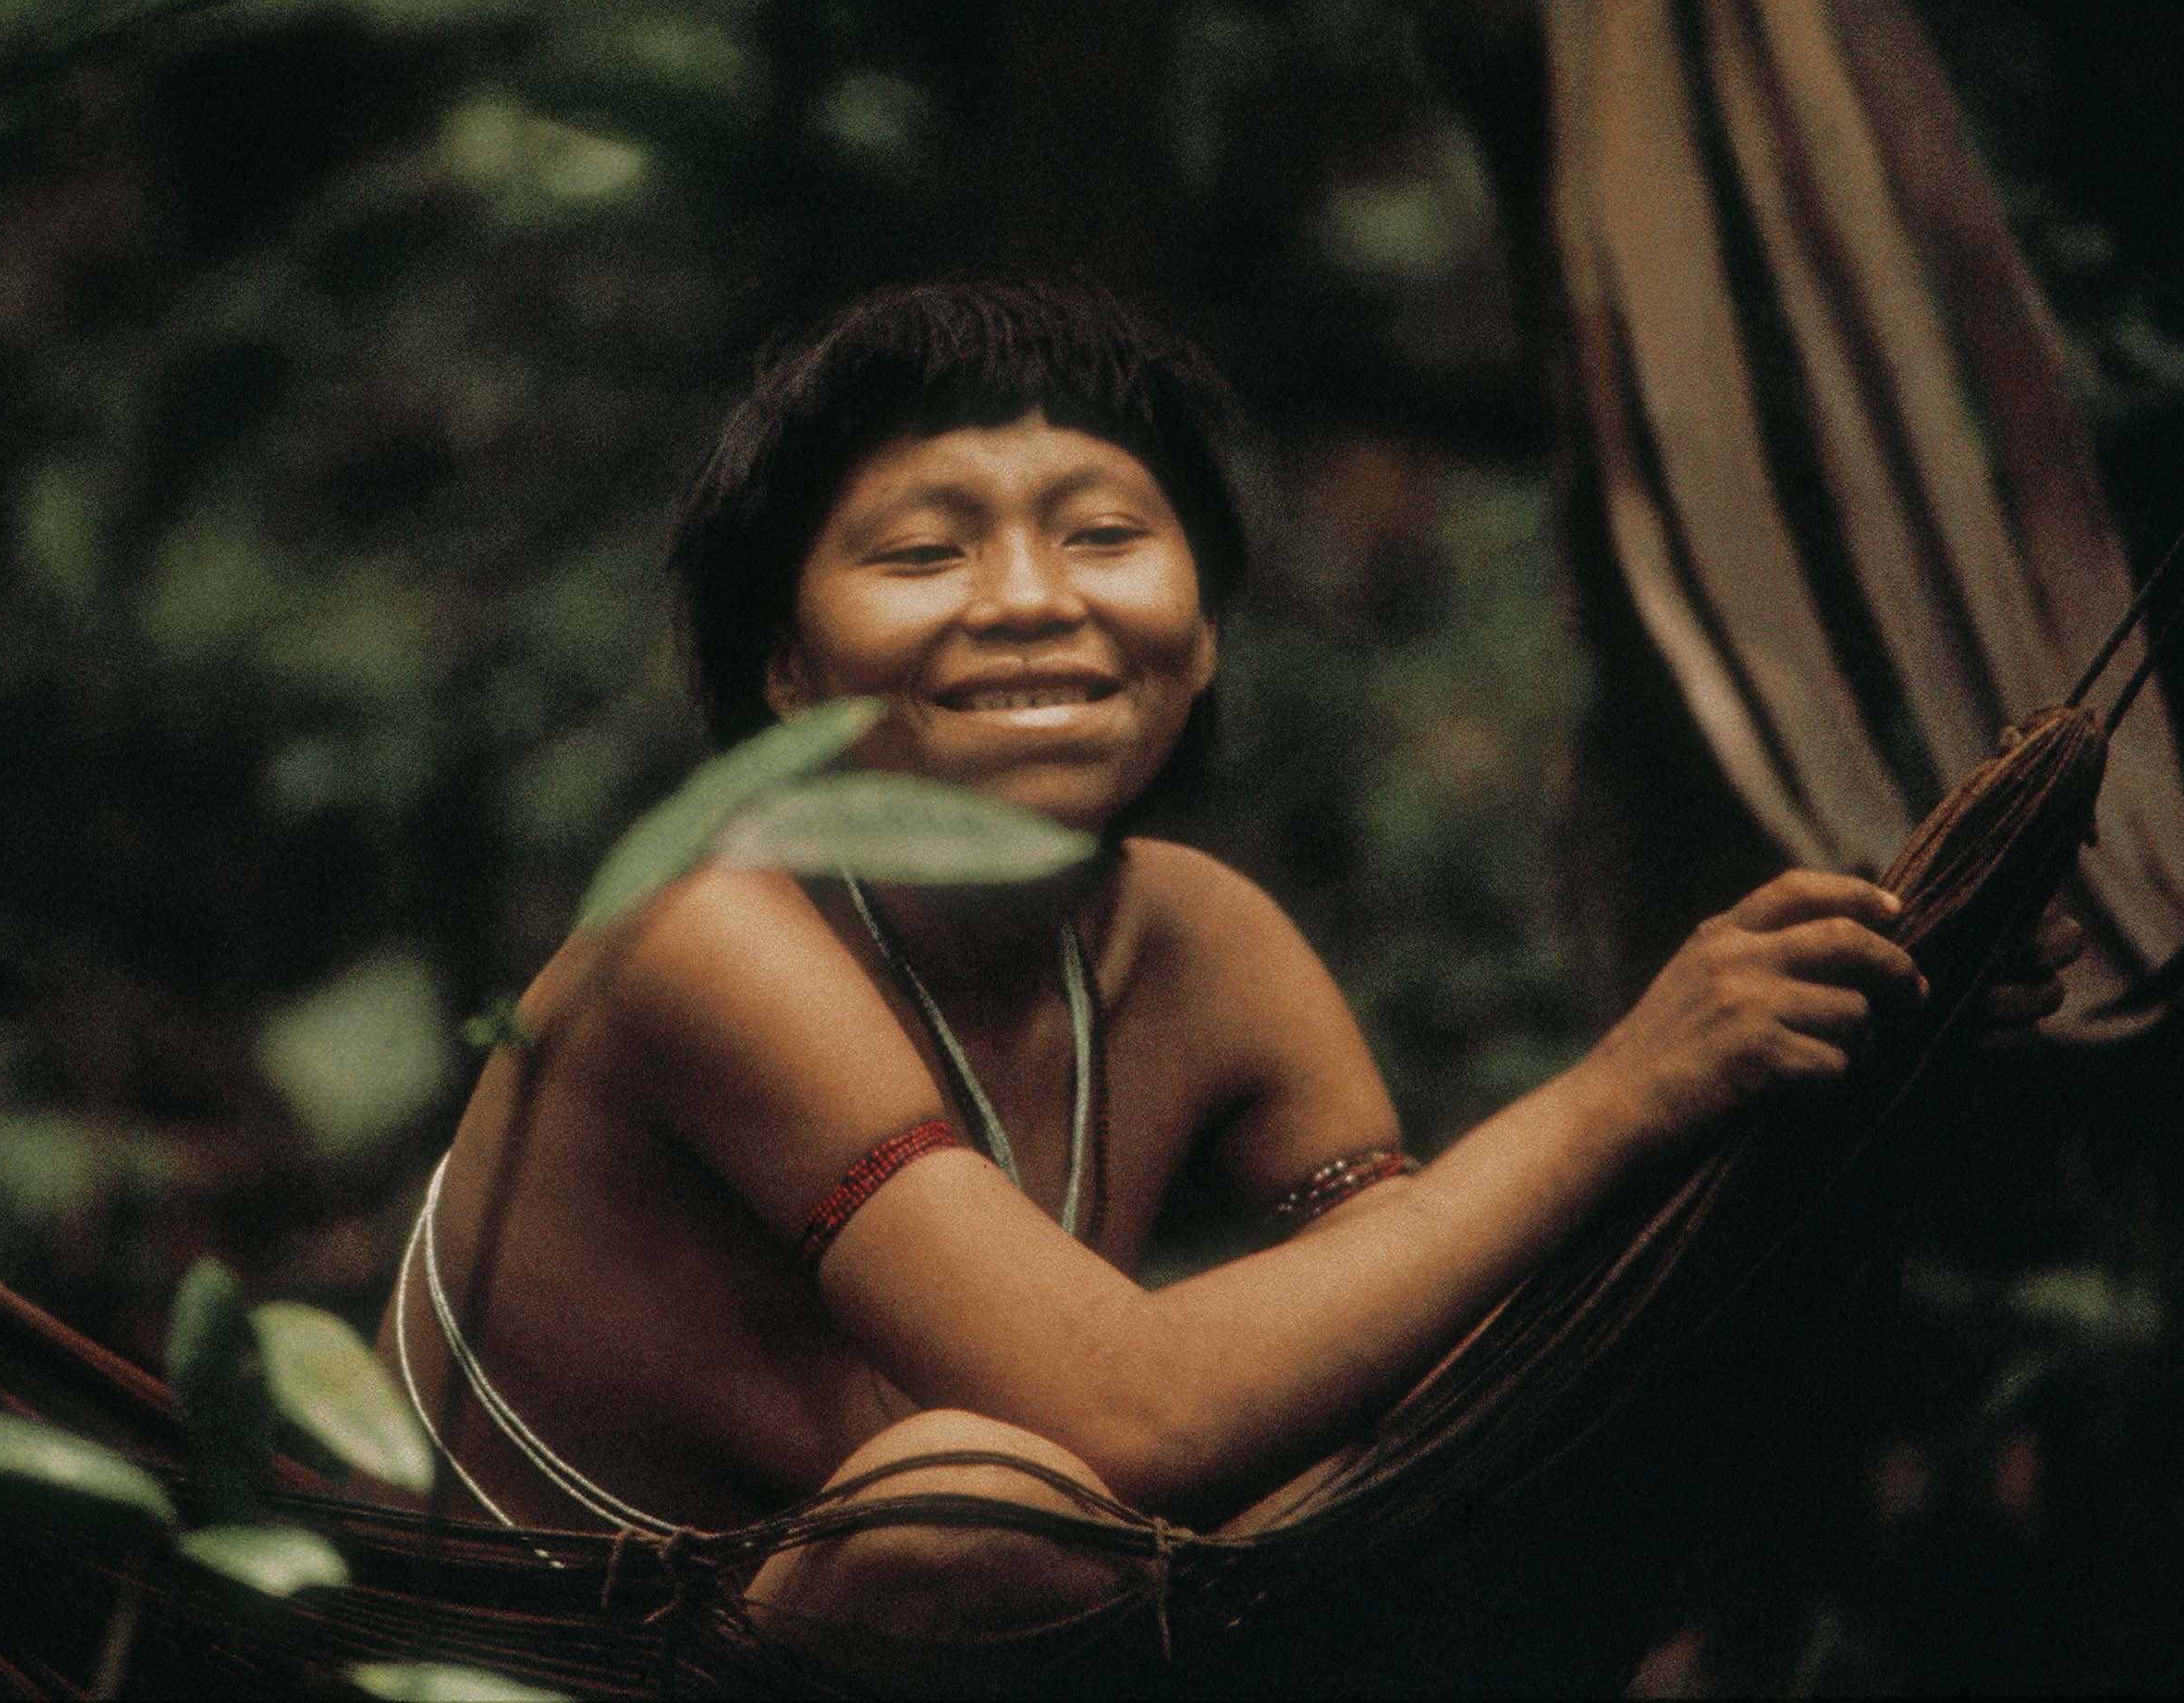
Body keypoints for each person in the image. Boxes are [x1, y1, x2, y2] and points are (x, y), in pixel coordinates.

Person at [377, 280, 2074, 1652]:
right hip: (563, 1667)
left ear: (1199, 640)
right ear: (784, 671)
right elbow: (1126, 1422)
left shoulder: (1196, 939)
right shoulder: (707, 933)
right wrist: (1636, 1082)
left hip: (1006, 1646)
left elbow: (1441, 1400)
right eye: (922, 553)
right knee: (966, 1511)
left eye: (1105, 534)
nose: (1031, 599)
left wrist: (1833, 1064)